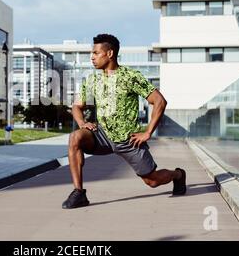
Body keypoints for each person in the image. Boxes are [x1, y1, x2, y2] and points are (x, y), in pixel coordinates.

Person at [62, 34, 186, 209]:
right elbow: (76, 106)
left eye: (96, 53)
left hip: (129, 139)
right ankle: (79, 193)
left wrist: (148, 132)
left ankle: (178, 175)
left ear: (110, 53)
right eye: (92, 53)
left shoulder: (130, 76)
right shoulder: (92, 80)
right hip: (102, 136)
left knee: (152, 181)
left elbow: (159, 101)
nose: (92, 57)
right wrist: (82, 123)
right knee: (75, 137)